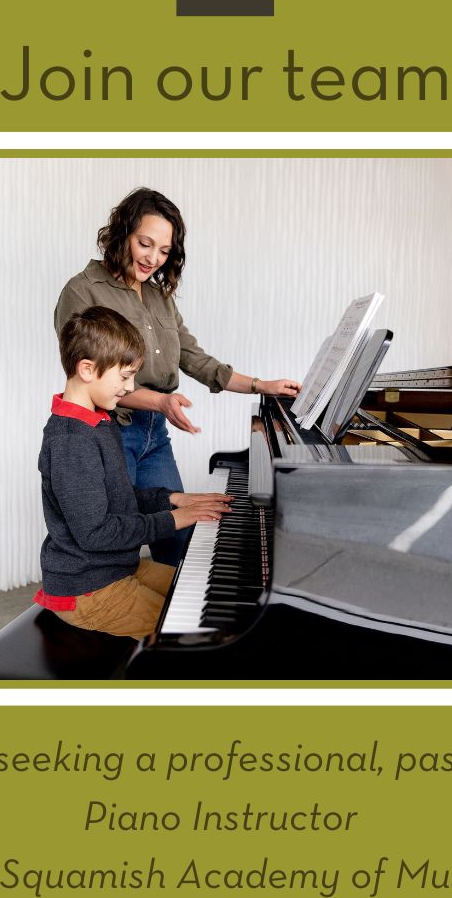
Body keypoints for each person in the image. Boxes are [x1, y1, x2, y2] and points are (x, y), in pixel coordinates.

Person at [54, 187, 302, 565]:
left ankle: (173, 603)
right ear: (122, 233)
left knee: (178, 540)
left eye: (165, 251)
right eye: (145, 244)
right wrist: (160, 400)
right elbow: (88, 378)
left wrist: (260, 385)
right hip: (110, 431)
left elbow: (194, 358)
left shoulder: (159, 297)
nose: (153, 258)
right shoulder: (82, 290)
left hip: (155, 433)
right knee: (116, 545)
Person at [34, 307, 232, 639]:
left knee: (206, 593)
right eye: (125, 376)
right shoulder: (71, 441)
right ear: (87, 369)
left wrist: (174, 499)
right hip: (88, 589)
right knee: (195, 633)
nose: (129, 388)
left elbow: (119, 497)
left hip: (116, 568)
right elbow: (95, 533)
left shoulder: (97, 421)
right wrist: (174, 519)